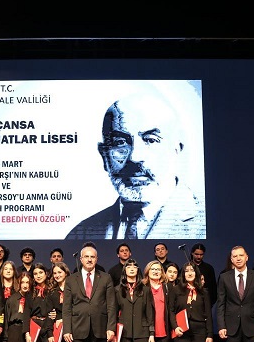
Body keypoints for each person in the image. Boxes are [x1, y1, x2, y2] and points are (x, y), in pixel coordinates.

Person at [65, 91, 204, 239]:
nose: (135, 157)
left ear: (177, 148)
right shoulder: (80, 234)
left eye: (151, 140)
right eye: (120, 142)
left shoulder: (203, 225)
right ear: (104, 155)